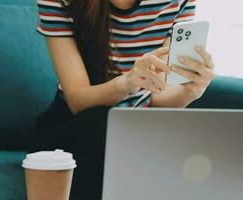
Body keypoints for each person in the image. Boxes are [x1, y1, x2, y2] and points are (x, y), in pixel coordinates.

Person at [32, 0, 215, 199]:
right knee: (106, 126)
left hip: (134, 131)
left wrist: (191, 91)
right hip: (74, 131)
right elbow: (77, 100)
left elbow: (158, 97)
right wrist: (127, 83)